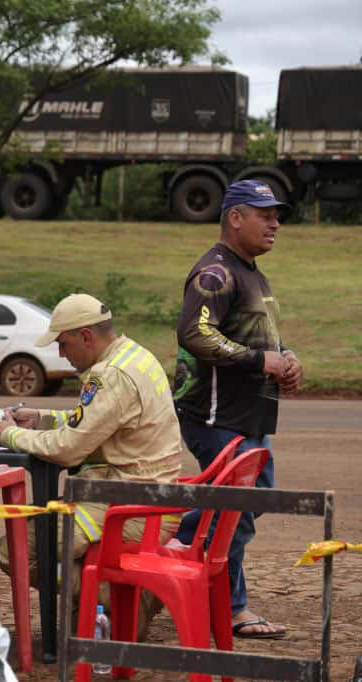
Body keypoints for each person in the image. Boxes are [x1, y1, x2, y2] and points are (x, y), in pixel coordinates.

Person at [0, 293, 183, 639]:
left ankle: (129, 599)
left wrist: (10, 435)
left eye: (63, 344)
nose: (62, 354)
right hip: (150, 500)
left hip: (126, 507)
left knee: (15, 549)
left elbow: (68, 449)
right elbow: (97, 421)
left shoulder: (110, 375)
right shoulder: (135, 356)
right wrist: (43, 418)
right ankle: (108, 605)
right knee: (44, 540)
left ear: (86, 336)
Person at [171, 179, 300, 640]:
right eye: (265, 215)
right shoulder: (216, 273)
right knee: (236, 509)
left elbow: (258, 334)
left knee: (247, 501)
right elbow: (195, 333)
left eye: (277, 215)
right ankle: (229, 608)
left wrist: (286, 357)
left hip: (246, 418)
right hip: (215, 416)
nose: (275, 224)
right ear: (235, 217)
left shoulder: (251, 273)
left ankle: (180, 541)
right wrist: (258, 360)